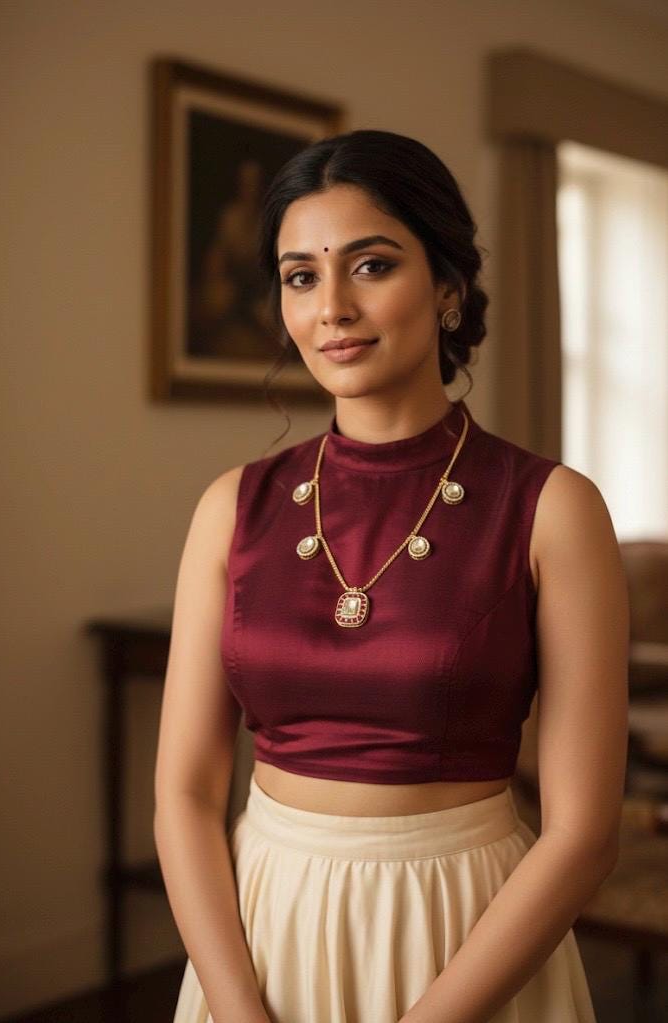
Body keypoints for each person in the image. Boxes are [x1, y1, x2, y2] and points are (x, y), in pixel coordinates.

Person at [154, 129, 629, 1023]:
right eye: (301, 275)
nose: (331, 305)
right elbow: (183, 791)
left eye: (370, 265)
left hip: (464, 933)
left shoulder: (551, 507)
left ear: (447, 288)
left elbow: (582, 834)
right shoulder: (233, 505)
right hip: (262, 928)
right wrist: (233, 1005)